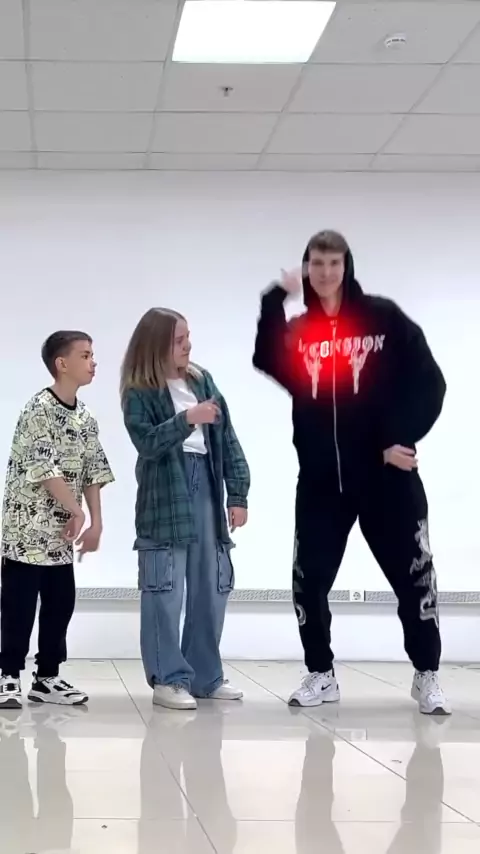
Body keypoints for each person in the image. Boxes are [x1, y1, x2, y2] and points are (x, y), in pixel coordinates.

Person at [253, 230, 450, 715]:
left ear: (347, 267)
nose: (325, 273)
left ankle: (427, 674)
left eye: (333, 263)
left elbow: (431, 382)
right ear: (307, 268)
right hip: (322, 483)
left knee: (414, 578)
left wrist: (398, 437)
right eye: (316, 264)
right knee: (310, 579)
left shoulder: (383, 319)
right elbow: (266, 357)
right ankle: (321, 674)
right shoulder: (301, 331)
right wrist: (275, 299)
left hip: (387, 482)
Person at [121, 307, 250, 711]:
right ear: (157, 344)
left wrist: (238, 493)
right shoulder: (139, 390)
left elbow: (227, 437)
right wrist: (187, 419)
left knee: (211, 584)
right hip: (166, 491)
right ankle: (169, 678)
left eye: (187, 337)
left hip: (206, 485)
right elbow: (147, 443)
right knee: (165, 587)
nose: (188, 345)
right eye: (179, 340)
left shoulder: (201, 379)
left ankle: (205, 676)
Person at [0, 331, 114, 709]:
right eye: (86, 355)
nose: (93, 362)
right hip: (26, 533)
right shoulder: (37, 410)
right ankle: (7, 674)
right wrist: (77, 512)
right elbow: (44, 469)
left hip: (60, 536)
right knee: (18, 606)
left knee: (60, 604)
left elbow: (94, 470)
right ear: (61, 364)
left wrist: (96, 522)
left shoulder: (86, 418)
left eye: (92, 355)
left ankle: (47, 678)